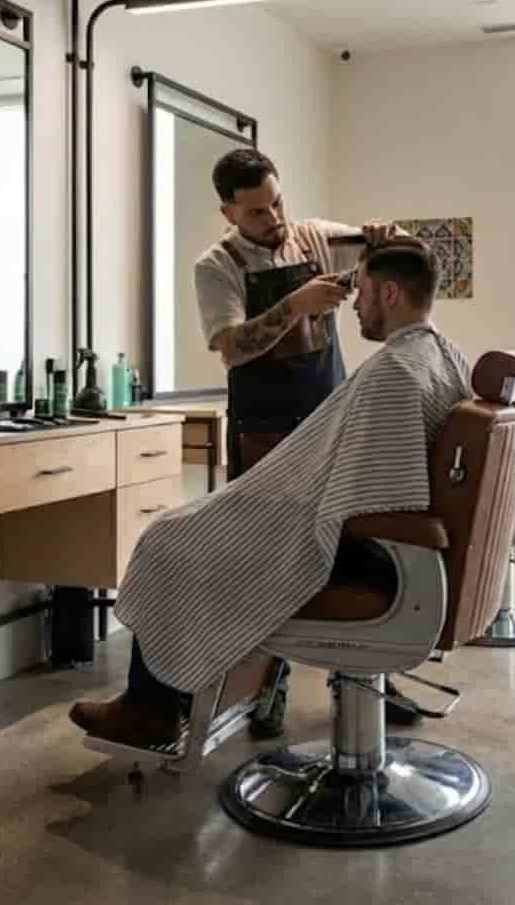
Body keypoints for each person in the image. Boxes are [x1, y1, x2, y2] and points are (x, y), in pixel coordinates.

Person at [71, 240, 469, 749]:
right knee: (201, 528)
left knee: (168, 539)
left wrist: (276, 510)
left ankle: (150, 709)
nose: (355, 304)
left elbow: (369, 496)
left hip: (370, 556)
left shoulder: (395, 370)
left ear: (390, 294)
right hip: (394, 549)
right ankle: (179, 698)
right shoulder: (444, 357)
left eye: (364, 291)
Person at [192, 148, 407, 737]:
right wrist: (296, 306)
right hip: (264, 431)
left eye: (277, 202)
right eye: (257, 212)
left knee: (350, 545)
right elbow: (231, 348)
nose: (275, 219)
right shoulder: (216, 267)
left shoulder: (315, 237)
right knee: (268, 561)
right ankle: (268, 687)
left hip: (330, 420)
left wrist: (385, 237)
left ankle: (367, 676)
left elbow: (404, 254)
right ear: (229, 213)